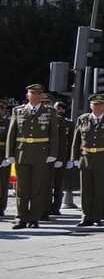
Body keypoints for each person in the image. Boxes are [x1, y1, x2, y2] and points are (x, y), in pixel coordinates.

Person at [5, 84, 60, 228]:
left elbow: (54, 134)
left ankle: (34, 218)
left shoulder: (49, 111)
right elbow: (12, 133)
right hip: (22, 152)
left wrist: (53, 153)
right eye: (32, 93)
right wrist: (9, 154)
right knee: (21, 188)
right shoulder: (18, 111)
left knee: (38, 187)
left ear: (42, 96)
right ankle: (21, 217)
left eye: (38, 93)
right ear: (27, 95)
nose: (35, 95)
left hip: (41, 154)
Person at [70, 94, 104, 226]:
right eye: (95, 104)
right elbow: (76, 140)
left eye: (100, 105)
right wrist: (74, 158)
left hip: (103, 158)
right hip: (86, 157)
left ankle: (97, 217)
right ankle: (86, 216)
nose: (97, 107)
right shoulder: (83, 119)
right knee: (86, 189)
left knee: (100, 189)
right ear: (90, 106)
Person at [47, 99, 72, 216]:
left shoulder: (68, 123)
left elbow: (69, 143)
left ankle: (56, 207)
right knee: (47, 184)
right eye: (57, 108)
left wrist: (66, 159)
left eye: (61, 108)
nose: (58, 110)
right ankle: (45, 207)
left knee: (58, 185)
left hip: (61, 158)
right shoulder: (48, 121)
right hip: (48, 158)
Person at [0, 99, 11, 217]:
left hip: (3, 154)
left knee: (3, 183)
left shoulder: (8, 122)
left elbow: (10, 140)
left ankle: (1, 207)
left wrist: (7, 157)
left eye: (2, 108)